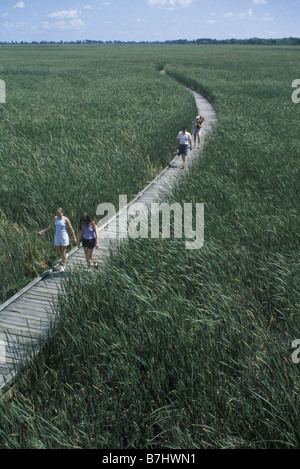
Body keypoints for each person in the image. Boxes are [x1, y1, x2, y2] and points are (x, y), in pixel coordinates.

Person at [38, 207, 77, 272]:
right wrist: (43, 231)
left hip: (64, 237)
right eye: (57, 213)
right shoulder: (55, 218)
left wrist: (74, 238)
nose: (58, 214)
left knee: (63, 250)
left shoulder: (65, 219)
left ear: (62, 213)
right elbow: (51, 226)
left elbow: (71, 229)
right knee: (58, 252)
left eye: (59, 213)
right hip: (57, 237)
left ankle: (63, 265)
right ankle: (65, 256)